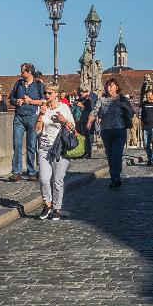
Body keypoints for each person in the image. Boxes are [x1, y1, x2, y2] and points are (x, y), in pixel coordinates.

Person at [34, 82, 76, 220]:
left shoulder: (64, 108)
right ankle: (48, 204)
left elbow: (72, 129)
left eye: (49, 93)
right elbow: (37, 130)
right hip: (44, 148)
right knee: (44, 179)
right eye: (45, 93)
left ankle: (57, 208)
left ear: (56, 94)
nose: (46, 95)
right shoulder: (42, 108)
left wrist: (63, 120)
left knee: (58, 180)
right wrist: (40, 115)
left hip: (60, 148)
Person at [87, 78, 132, 188]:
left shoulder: (122, 99)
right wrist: (89, 122)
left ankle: (116, 176)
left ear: (116, 87)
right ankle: (114, 178)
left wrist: (125, 108)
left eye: (111, 85)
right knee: (110, 155)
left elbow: (131, 111)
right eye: (107, 86)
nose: (108, 88)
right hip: (106, 131)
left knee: (117, 154)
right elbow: (94, 111)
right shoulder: (102, 99)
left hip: (119, 130)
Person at [9, 63, 46, 182]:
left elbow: (43, 101)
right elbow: (11, 98)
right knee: (17, 144)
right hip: (19, 117)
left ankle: (31, 172)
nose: (21, 73)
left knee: (31, 145)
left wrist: (30, 101)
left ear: (29, 72)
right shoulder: (18, 84)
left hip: (32, 117)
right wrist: (16, 101)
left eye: (23, 71)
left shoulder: (39, 85)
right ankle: (16, 172)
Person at [78, 86, 99, 159]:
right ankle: (86, 152)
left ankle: (87, 153)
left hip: (89, 120)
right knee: (86, 136)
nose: (80, 93)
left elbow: (92, 109)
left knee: (88, 136)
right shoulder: (85, 97)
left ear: (86, 91)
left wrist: (82, 106)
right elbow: (76, 102)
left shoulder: (91, 98)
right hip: (84, 119)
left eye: (82, 92)